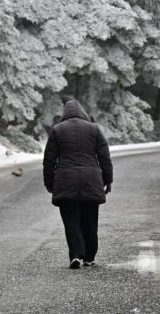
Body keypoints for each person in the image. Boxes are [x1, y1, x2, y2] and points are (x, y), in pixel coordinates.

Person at [42, 100, 113, 269]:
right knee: (90, 220)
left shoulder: (57, 130)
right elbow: (104, 157)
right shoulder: (94, 129)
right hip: (91, 179)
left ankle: (75, 254)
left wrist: (49, 183)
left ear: (64, 114)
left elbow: (49, 160)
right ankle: (89, 256)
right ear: (83, 113)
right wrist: (107, 180)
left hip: (65, 181)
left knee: (71, 220)